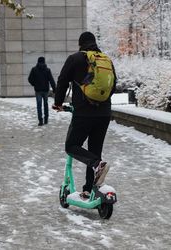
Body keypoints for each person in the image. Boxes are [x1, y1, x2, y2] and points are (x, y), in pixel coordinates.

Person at [53, 31, 117, 199]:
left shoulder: (75, 58)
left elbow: (62, 81)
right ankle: (89, 189)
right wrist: (101, 104)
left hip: (83, 113)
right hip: (104, 113)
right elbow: (113, 85)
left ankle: (97, 165)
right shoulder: (105, 60)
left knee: (72, 146)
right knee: (95, 150)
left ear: (80, 44)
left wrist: (58, 103)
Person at [28, 57, 56, 126]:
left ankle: (40, 121)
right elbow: (51, 80)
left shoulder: (34, 69)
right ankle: (46, 119)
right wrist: (55, 89)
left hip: (38, 90)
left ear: (38, 61)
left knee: (39, 106)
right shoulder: (47, 70)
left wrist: (34, 84)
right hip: (46, 90)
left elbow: (30, 79)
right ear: (44, 62)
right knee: (46, 105)